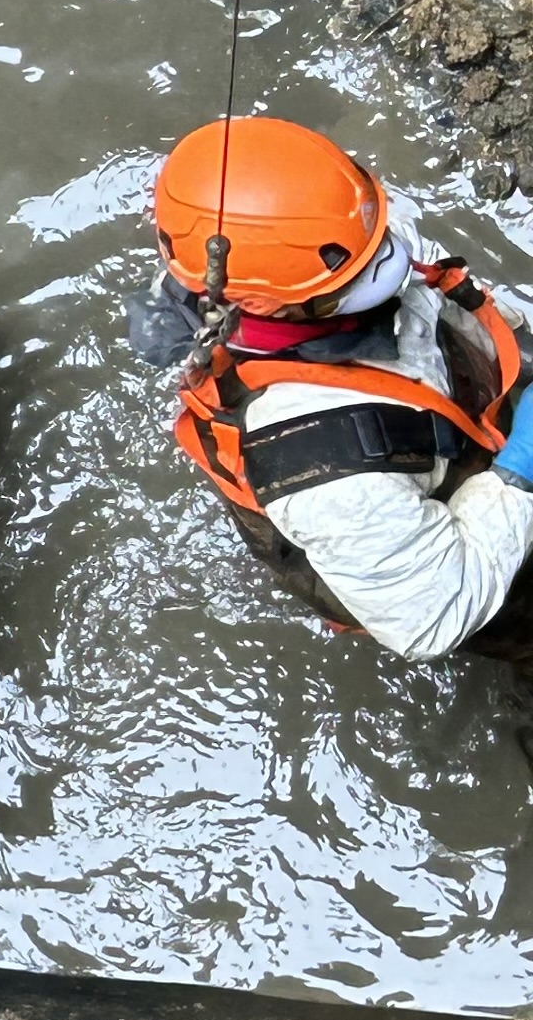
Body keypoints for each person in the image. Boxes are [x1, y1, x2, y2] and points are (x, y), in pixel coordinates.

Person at [141, 114, 533, 660]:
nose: (389, 260)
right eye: (360, 269)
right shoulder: (328, 467)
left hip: (458, 429)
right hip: (455, 566)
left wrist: (512, 340)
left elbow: (421, 297)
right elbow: (436, 616)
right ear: (264, 302)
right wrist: (518, 472)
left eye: (377, 241)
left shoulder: (316, 241)